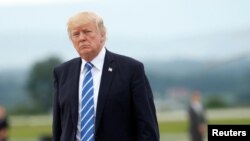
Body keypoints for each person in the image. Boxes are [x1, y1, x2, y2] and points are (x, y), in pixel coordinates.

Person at [52, 11, 159, 141]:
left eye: (87, 32)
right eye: (76, 34)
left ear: (102, 35)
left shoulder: (131, 70)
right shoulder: (62, 73)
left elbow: (147, 127)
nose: (82, 38)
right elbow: (58, 127)